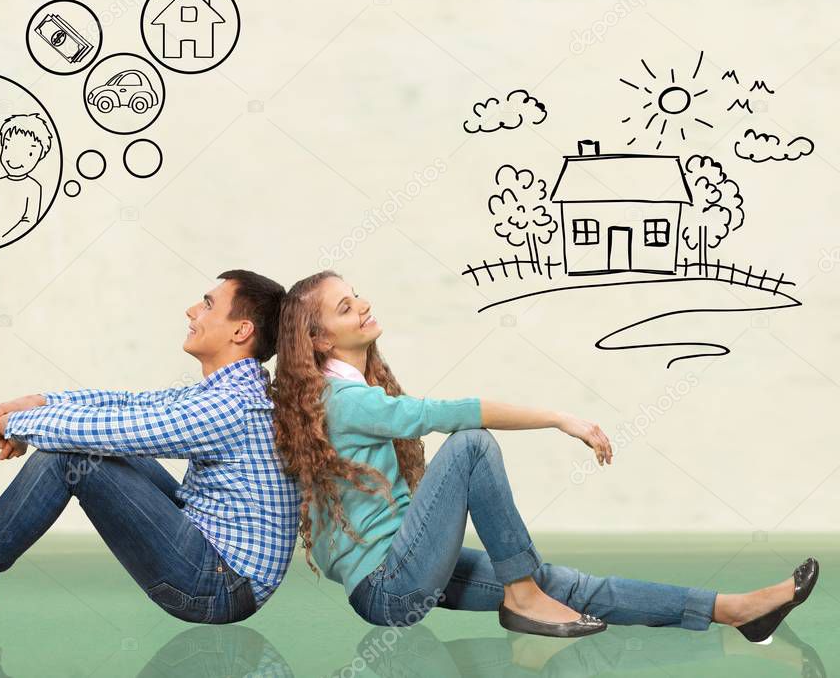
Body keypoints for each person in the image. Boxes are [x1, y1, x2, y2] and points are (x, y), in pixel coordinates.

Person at [270, 270, 818, 639]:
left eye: (357, 295)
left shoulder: (344, 393)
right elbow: (450, 414)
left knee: (575, 588)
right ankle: (525, 596)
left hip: (406, 570)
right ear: (319, 340)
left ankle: (736, 612)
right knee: (471, 446)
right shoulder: (341, 400)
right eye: (346, 307)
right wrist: (561, 418)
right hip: (390, 587)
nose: (363, 304)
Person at [0, 270, 300, 640]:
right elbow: (131, 405)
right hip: (212, 557)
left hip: (217, 588)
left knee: (69, 459)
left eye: (207, 303)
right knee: (86, 446)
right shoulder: (233, 390)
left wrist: (17, 424)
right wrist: (41, 402)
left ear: (241, 330)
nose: (191, 310)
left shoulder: (232, 406)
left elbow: (126, 429)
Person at [0, 113, 53, 245]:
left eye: (28, 153)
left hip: (16, 244)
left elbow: (29, 221)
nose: (15, 158)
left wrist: (4, 239)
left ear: (40, 156)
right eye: (8, 147)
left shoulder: (34, 187)